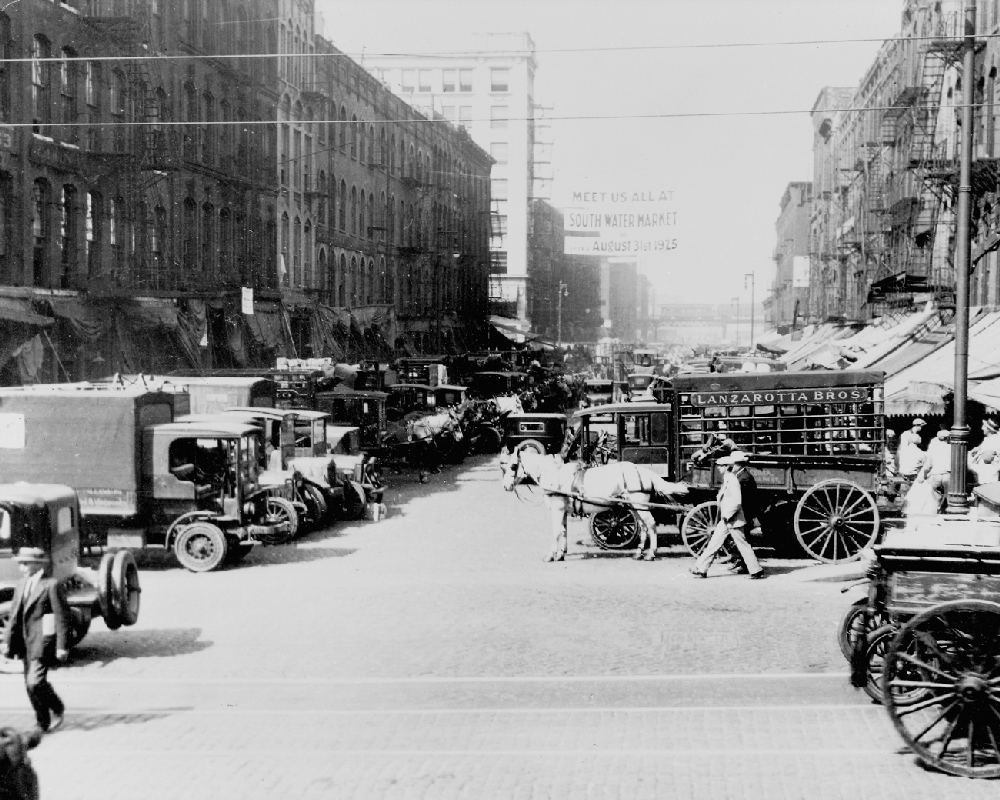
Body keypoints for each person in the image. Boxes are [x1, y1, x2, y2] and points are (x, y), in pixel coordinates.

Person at [1, 548, 69, 734]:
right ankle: (42, 722)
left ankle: (57, 706)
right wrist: (7, 640)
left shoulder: (51, 585)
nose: (22, 567)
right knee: (29, 686)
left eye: (26, 563)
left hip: (42, 642)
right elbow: (15, 614)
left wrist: (61, 646)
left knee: (35, 683)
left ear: (38, 564)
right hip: (23, 642)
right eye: (20, 563)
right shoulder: (22, 584)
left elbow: (61, 616)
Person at [690, 451, 765, 579]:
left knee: (742, 544)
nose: (718, 468)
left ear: (726, 467)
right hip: (728, 519)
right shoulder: (728, 478)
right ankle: (701, 568)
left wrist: (727, 515)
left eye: (720, 466)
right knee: (714, 543)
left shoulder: (733, 480)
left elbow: (736, 501)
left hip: (733, 519)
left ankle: (756, 570)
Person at [920, 429, 952, 513]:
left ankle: (934, 517)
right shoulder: (952, 448)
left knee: (935, 500)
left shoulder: (934, 449)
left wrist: (924, 475)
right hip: (948, 475)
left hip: (936, 475)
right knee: (950, 500)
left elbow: (928, 465)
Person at [897, 418, 926, 485]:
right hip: (907, 463)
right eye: (921, 427)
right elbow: (903, 450)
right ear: (918, 426)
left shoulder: (916, 435)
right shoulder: (906, 434)